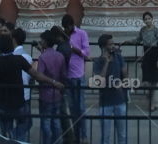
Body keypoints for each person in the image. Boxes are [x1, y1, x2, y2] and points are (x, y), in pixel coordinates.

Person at [0, 34, 63, 142]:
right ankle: (14, 135)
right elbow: (36, 75)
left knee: (6, 131)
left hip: (2, 102)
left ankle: (9, 136)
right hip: (19, 101)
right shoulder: (19, 59)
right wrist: (53, 82)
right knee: (27, 123)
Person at [92, 35, 127, 144]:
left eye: (113, 43)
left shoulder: (118, 57)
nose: (113, 46)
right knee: (105, 135)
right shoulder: (98, 61)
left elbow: (125, 76)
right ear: (103, 47)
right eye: (111, 44)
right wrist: (106, 62)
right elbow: (99, 81)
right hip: (105, 102)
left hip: (119, 100)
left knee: (122, 134)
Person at [63, 13, 90, 144]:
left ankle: (83, 136)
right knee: (72, 108)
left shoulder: (81, 34)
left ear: (71, 26)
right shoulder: (63, 35)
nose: (66, 31)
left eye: (67, 28)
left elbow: (87, 53)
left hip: (78, 75)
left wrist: (75, 49)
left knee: (81, 108)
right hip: (67, 76)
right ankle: (76, 135)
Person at [36, 31, 67, 144]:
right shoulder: (60, 55)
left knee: (46, 122)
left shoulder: (43, 58)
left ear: (45, 41)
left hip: (45, 94)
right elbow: (64, 74)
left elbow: (39, 76)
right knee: (56, 121)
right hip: (58, 93)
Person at [131, 12, 158, 112]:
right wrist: (127, 41)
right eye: (146, 19)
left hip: (155, 55)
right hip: (146, 55)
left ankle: (154, 103)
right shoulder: (143, 30)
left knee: (156, 81)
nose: (147, 20)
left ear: (152, 19)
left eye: (149, 18)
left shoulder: (157, 31)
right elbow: (138, 40)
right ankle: (150, 98)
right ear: (143, 20)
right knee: (148, 80)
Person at [12, 28, 33, 142]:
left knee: (22, 121)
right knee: (26, 122)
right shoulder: (28, 57)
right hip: (25, 95)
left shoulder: (11, 56)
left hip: (13, 95)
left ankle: (12, 136)